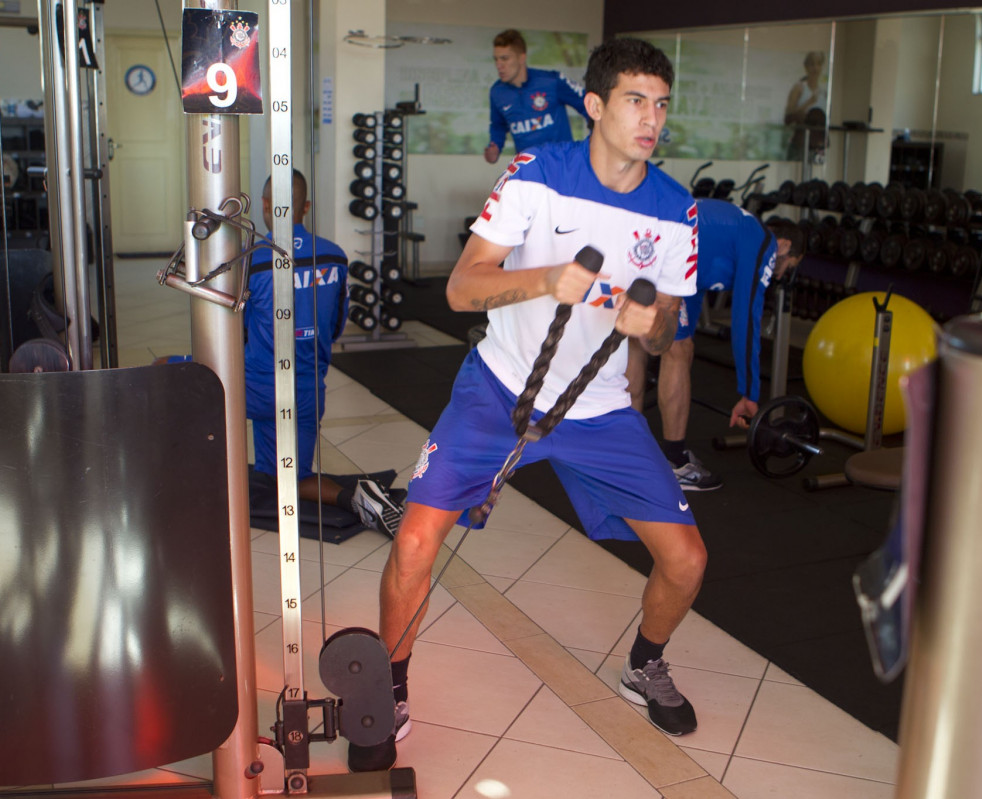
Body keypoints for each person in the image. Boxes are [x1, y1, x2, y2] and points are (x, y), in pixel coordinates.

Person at [350, 37, 705, 773]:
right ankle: (390, 686)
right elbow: (460, 289)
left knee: (687, 559)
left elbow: (670, 321)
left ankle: (644, 664)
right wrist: (547, 279)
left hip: (602, 409)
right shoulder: (536, 175)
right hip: (500, 387)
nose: (652, 119)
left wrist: (654, 325)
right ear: (596, 105)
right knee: (415, 542)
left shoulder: (677, 209)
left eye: (662, 104)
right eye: (637, 100)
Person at [246, 170, 404, 537]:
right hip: (306, 391)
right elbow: (335, 327)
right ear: (307, 207)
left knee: (175, 373)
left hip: (253, 388)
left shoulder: (251, 260)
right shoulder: (335, 257)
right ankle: (359, 499)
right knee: (292, 477)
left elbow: (236, 336)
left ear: (266, 206)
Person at [626, 200, 805, 491]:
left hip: (641, 248)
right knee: (678, 353)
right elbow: (746, 316)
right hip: (662, 254)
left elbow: (691, 287)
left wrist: (681, 336)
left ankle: (627, 456)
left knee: (638, 344)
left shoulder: (731, 231)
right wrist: (749, 392)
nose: (781, 275)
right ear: (784, 245)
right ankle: (675, 464)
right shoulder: (764, 242)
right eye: (788, 265)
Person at [484, 28, 590, 164]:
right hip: (529, 169)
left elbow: (588, 105)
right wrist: (495, 146)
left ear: (522, 58)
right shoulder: (497, 92)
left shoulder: (552, 81)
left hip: (563, 165)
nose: (499, 65)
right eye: (496, 59)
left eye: (505, 58)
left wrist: (595, 143)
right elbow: (498, 125)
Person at [784, 51, 827, 161]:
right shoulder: (799, 88)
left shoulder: (823, 92)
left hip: (817, 144)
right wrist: (808, 102)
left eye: (818, 64)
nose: (815, 68)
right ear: (806, 67)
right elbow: (788, 115)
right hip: (799, 142)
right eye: (812, 64)